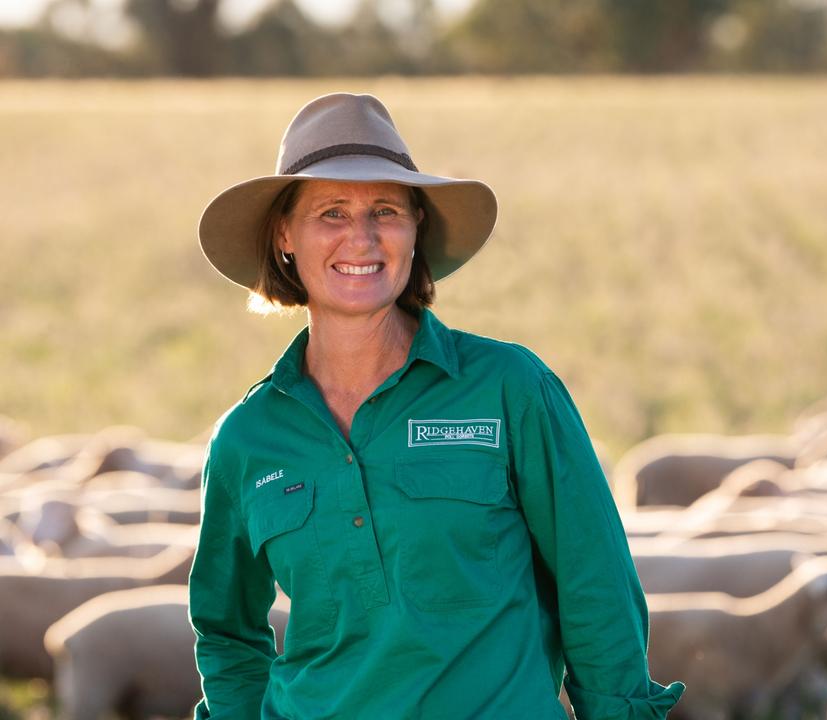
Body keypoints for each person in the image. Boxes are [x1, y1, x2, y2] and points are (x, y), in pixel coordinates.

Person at [188, 92, 684, 719]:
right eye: (331, 212)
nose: (361, 237)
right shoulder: (247, 437)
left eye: (386, 210)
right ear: (284, 235)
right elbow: (227, 632)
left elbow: (596, 584)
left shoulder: (509, 387)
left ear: (416, 229)